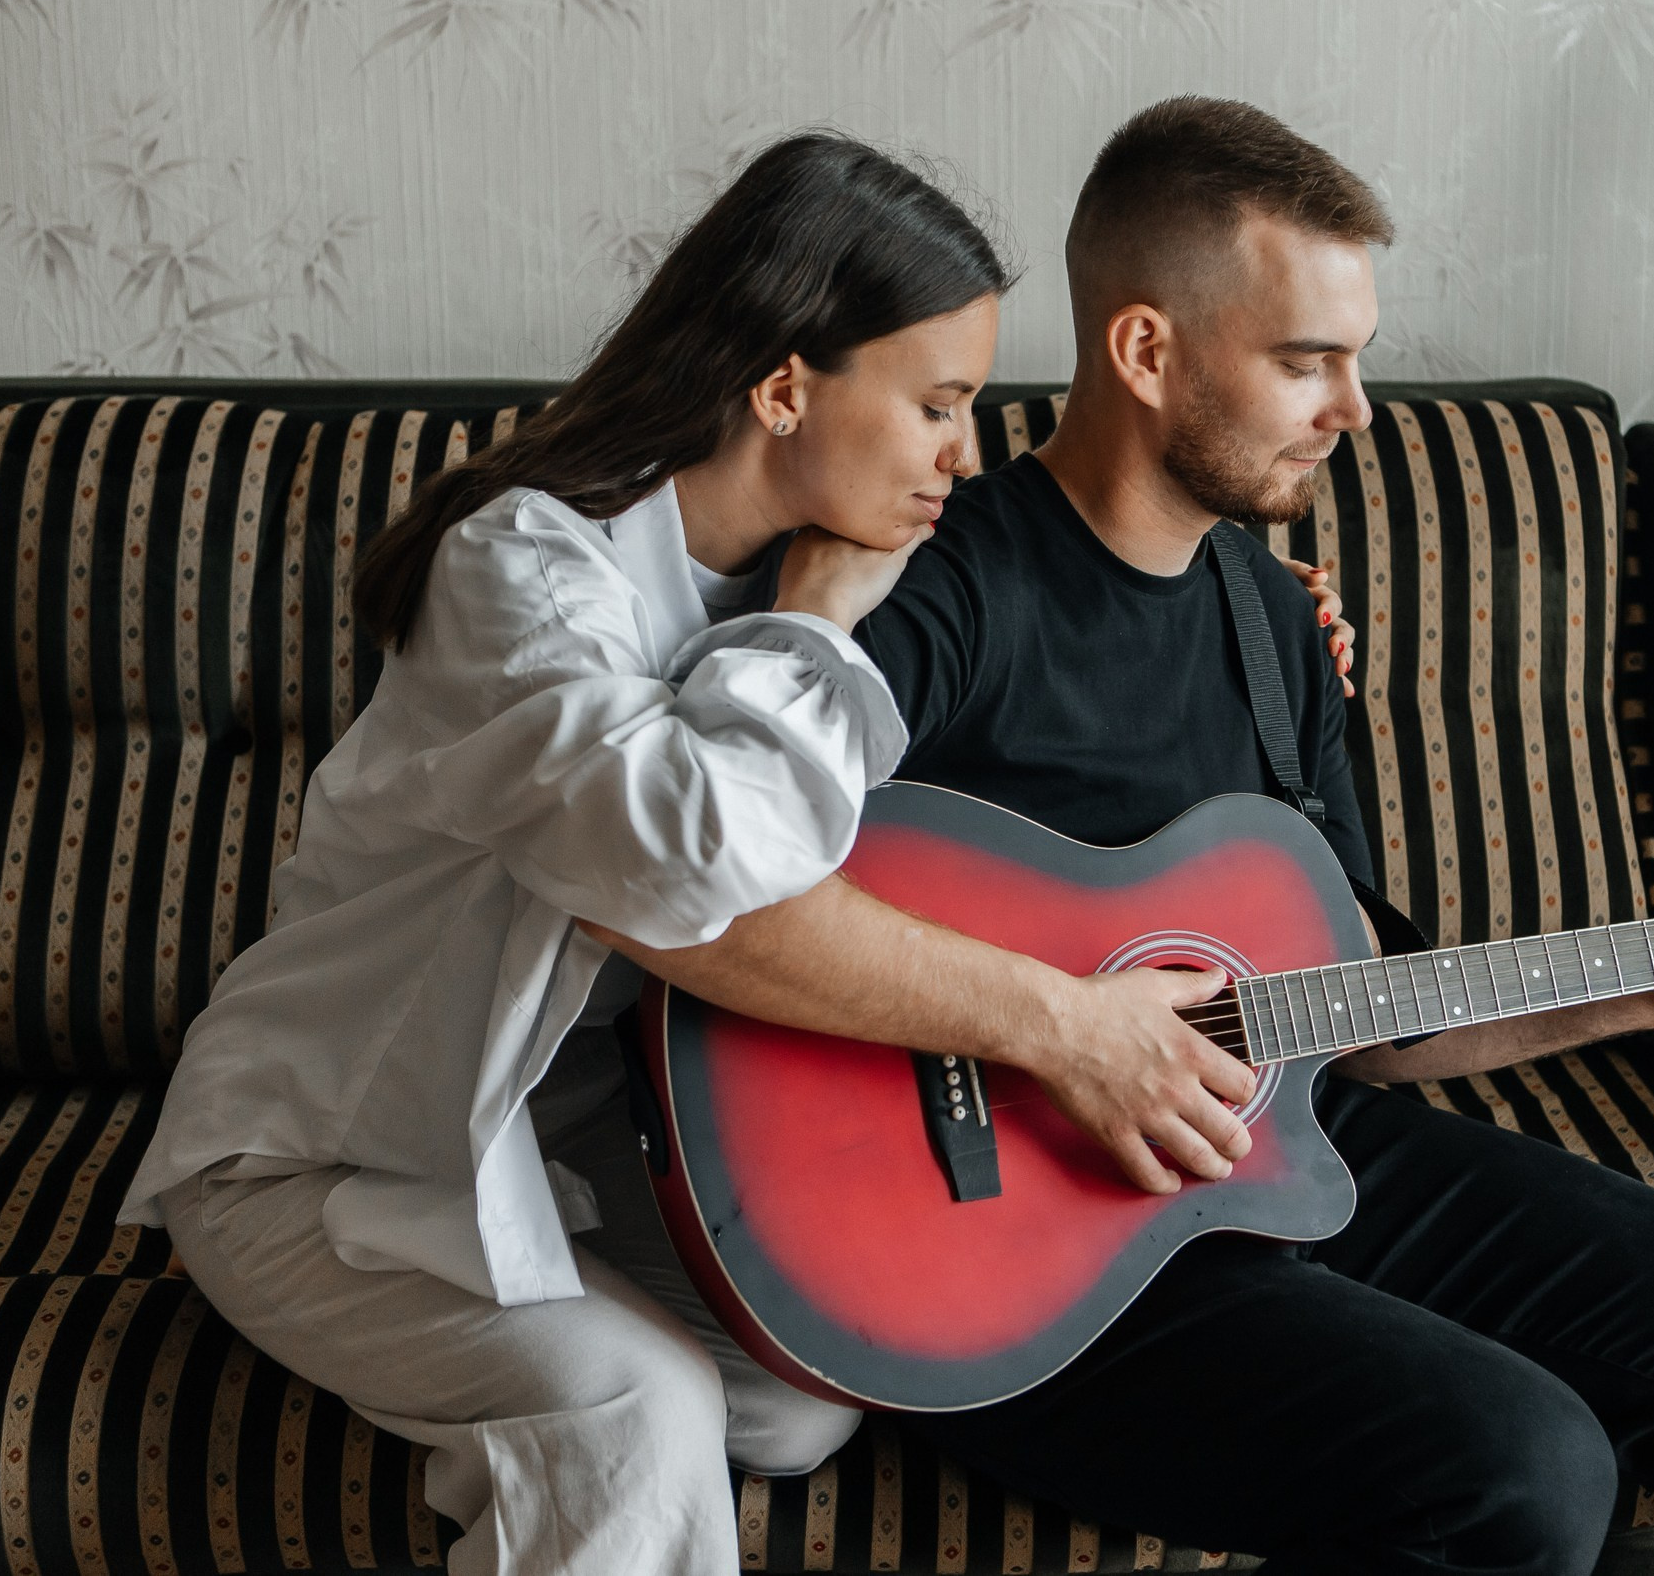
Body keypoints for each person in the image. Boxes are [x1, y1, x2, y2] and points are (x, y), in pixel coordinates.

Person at [583, 99, 1654, 1576]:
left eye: (1357, 359)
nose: (1354, 409)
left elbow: (1366, 1023)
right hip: (1009, 1244)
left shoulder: (1278, 628)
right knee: (1525, 1463)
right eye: (1305, 361)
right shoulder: (932, 586)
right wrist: (1071, 1033)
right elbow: (706, 900)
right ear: (1146, 352)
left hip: (1283, 1151)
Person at [112, 133, 1008, 1576]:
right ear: (786, 386)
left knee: (797, 1400)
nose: (967, 453)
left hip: (573, 1150)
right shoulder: (523, 570)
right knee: (643, 1412)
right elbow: (690, 860)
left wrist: (1272, 617)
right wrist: (816, 626)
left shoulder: (839, 555)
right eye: (941, 405)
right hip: (327, 1154)